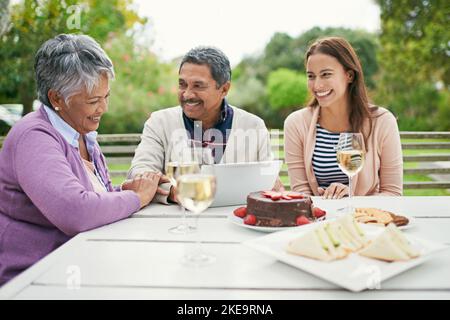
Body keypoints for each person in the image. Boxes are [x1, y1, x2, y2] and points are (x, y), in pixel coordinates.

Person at [0, 34, 165, 285]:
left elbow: (95, 199)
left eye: (106, 97)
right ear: (57, 99)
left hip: (79, 267)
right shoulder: (33, 137)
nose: (104, 108)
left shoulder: (81, 134)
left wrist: (139, 189)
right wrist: (136, 198)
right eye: (93, 101)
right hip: (35, 280)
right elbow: (74, 210)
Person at [129, 46, 280, 204]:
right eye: (182, 84)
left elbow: (269, 180)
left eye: (198, 86)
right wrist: (172, 192)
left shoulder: (253, 126)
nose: (187, 94)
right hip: (174, 222)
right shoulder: (159, 122)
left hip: (234, 222)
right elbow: (139, 173)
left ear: (224, 89)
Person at [284, 36, 403, 199]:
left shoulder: (382, 121)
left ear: (349, 75)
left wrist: (353, 199)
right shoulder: (296, 123)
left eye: (326, 74)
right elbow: (301, 193)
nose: (317, 85)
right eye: (311, 76)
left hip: (365, 219)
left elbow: (393, 193)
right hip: (317, 219)